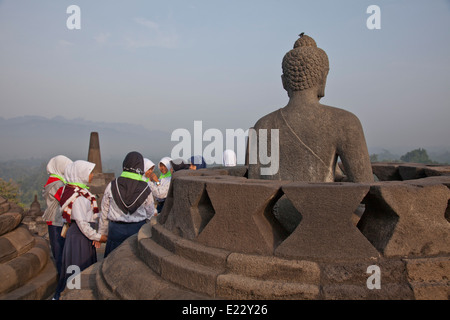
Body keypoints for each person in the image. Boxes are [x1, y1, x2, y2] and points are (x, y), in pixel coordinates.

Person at [54, 160, 107, 300]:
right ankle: (72, 296)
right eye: (90, 172)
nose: (92, 175)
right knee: (77, 267)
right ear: (80, 174)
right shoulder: (76, 196)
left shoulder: (80, 192)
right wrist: (98, 237)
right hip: (79, 235)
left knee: (82, 267)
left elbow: (90, 216)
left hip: (82, 234)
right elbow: (82, 222)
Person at [100, 151, 155, 258]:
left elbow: (104, 211)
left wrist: (103, 232)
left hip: (115, 231)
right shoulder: (145, 188)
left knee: (112, 262)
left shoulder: (112, 185)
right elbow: (150, 213)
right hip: (137, 230)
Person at [42, 155, 72, 278]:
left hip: (56, 221)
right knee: (60, 251)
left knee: (60, 250)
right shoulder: (57, 184)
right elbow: (65, 199)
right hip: (57, 222)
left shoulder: (56, 181)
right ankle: (62, 280)